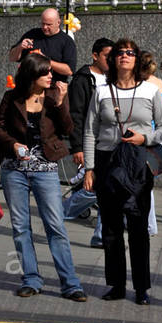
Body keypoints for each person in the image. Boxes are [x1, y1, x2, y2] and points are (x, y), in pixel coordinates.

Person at [0, 53, 87, 301]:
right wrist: (12, 145)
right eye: (45, 72)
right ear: (32, 75)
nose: (50, 76)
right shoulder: (12, 97)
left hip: (46, 170)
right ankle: (31, 279)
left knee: (55, 226)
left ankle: (70, 284)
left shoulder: (53, 98)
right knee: (21, 227)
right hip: (15, 170)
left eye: (50, 72)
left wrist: (62, 101)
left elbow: (67, 129)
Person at [82, 37, 162, 305]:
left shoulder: (150, 90)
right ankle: (117, 285)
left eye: (130, 53)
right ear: (112, 59)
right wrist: (89, 168)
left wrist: (145, 139)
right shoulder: (101, 91)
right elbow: (89, 131)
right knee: (110, 228)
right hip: (108, 161)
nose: (125, 56)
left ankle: (142, 287)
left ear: (137, 58)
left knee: (138, 228)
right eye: (120, 52)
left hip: (138, 164)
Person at [65, 37, 113, 246]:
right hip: (90, 141)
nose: (111, 61)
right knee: (94, 188)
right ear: (95, 56)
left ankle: (102, 235)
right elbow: (76, 115)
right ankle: (60, 211)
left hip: (110, 141)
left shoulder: (114, 78)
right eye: (107, 56)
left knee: (106, 188)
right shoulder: (83, 79)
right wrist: (77, 147)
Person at [9, 7, 77, 81]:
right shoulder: (32, 34)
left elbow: (69, 70)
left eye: (49, 24)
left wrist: (44, 60)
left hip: (52, 87)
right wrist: (20, 47)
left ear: (58, 22)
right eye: (43, 23)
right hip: (29, 85)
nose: (45, 27)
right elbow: (12, 58)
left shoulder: (66, 41)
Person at [139, 53, 162, 237]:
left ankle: (149, 225)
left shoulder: (145, 85)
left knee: (143, 183)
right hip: (156, 135)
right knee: (147, 182)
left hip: (145, 136)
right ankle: (150, 225)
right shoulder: (160, 83)